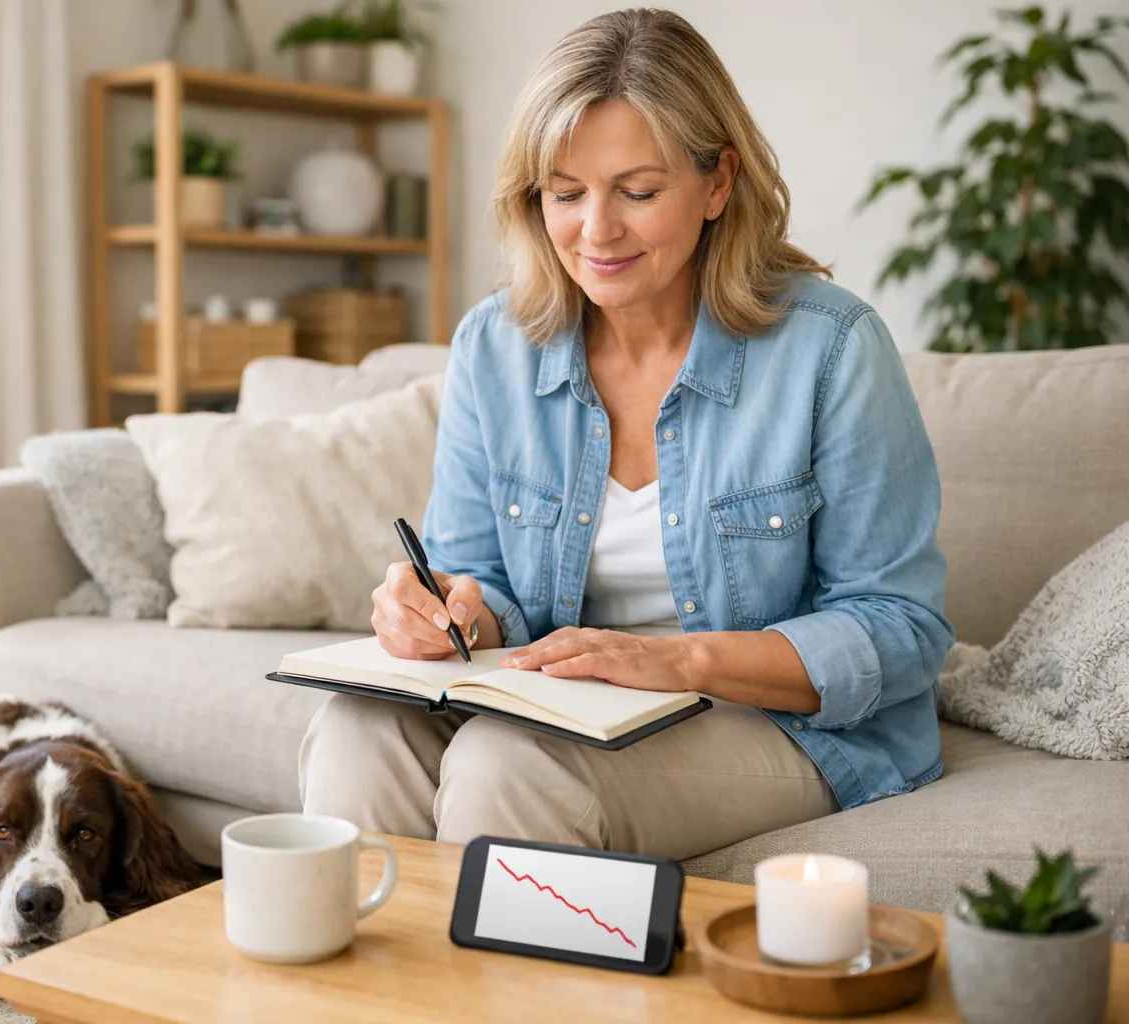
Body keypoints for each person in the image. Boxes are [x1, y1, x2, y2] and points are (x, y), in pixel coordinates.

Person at [299, 8, 954, 860]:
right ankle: (382, 998)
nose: (596, 230)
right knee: (356, 729)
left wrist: (681, 663)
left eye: (638, 192)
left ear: (719, 183)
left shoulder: (829, 348)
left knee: (512, 764)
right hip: (564, 702)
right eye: (565, 194)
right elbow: (481, 581)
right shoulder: (495, 346)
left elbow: (900, 627)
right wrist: (449, 614)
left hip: (776, 724)